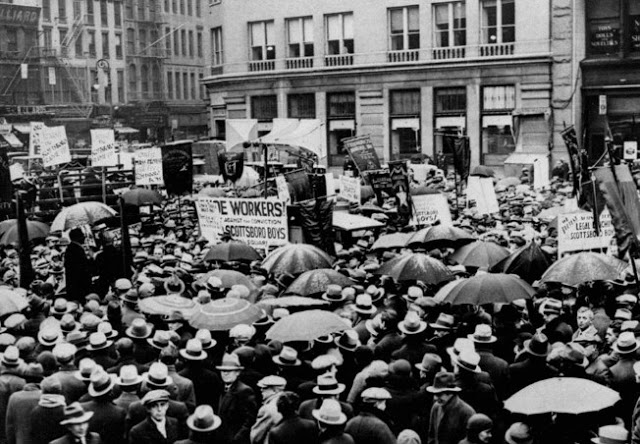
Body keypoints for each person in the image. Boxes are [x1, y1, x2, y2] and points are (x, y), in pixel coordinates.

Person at [216, 353, 258, 444]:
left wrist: (236, 439)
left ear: (238, 372)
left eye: (229, 371)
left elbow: (250, 420)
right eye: (223, 371)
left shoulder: (244, 391)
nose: (225, 373)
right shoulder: (221, 388)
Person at [426, 372, 476, 444]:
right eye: (434, 394)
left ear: (450, 393)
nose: (435, 398)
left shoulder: (467, 412)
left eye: (439, 394)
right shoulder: (436, 407)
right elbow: (432, 436)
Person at [250, 375, 287, 444]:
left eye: (265, 388)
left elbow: (256, 436)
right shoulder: (287, 403)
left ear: (274, 390)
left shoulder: (267, 409)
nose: (261, 390)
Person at [64, 228, 93, 303]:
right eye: (82, 235)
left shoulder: (71, 248)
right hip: (79, 287)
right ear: (78, 237)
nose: (84, 237)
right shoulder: (77, 250)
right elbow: (83, 269)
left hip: (74, 287)